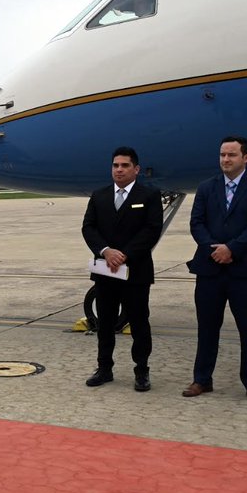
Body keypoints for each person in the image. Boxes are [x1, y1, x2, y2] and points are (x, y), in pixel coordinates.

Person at [183, 136, 247, 404]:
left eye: (232, 155)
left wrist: (232, 249)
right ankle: (202, 379)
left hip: (245, 270)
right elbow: (196, 223)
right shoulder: (205, 187)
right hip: (210, 269)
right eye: (223, 155)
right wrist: (215, 249)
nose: (226, 160)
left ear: (246, 158)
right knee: (207, 328)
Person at [81, 146, 163, 391]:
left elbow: (152, 230)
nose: (119, 169)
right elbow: (88, 228)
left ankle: (141, 371)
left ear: (136, 169)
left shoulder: (149, 195)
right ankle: (104, 368)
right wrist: (106, 251)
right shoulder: (99, 195)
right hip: (106, 272)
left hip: (135, 271)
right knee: (105, 324)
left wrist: (124, 254)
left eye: (125, 165)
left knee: (139, 323)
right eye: (115, 165)